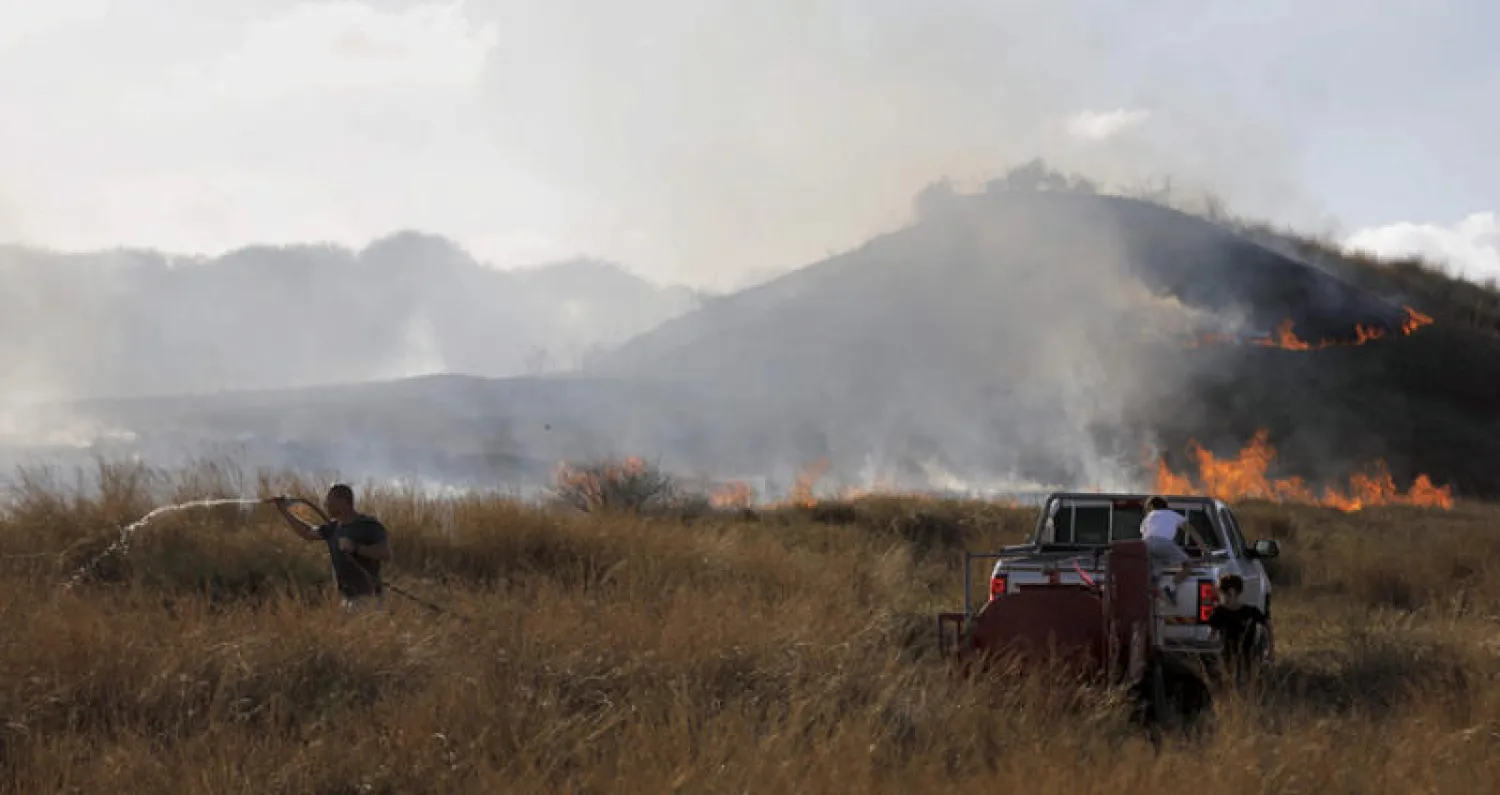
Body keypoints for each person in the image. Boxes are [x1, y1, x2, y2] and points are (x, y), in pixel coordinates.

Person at [269, 484, 392, 611]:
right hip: (346, 599)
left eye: (330, 501)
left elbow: (385, 553)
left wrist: (356, 547)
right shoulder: (333, 528)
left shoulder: (368, 525)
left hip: (368, 598)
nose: (326, 505)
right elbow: (307, 533)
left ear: (343, 501)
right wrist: (284, 510)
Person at [1138, 495, 1208, 601]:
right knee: (1188, 564)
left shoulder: (1148, 517)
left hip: (1146, 544)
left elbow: (1145, 534)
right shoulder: (1173, 515)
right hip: (1164, 543)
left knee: (1155, 571)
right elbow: (1192, 531)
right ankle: (1170, 588)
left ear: (1151, 506)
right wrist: (1204, 549)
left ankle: (1150, 595)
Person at [1207, 573, 1273, 680]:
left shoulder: (1250, 611)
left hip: (1248, 657)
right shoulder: (1219, 612)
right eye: (1224, 593)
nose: (1226, 597)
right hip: (1227, 656)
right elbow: (1211, 634)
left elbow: (1268, 625)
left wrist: (1271, 651)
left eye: (1229, 593)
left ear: (1235, 593)